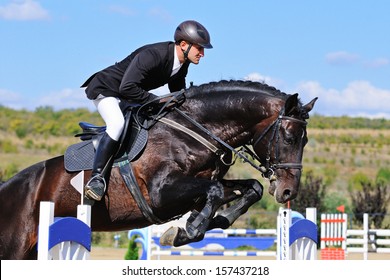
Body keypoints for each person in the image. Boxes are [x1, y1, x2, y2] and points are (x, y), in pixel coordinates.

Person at [81, 20, 213, 201]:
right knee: (117, 124)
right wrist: (157, 101)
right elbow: (127, 87)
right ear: (183, 45)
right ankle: (96, 179)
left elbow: (176, 88)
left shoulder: (183, 61)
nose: (202, 54)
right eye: (200, 48)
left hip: (129, 96)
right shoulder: (153, 55)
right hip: (108, 89)